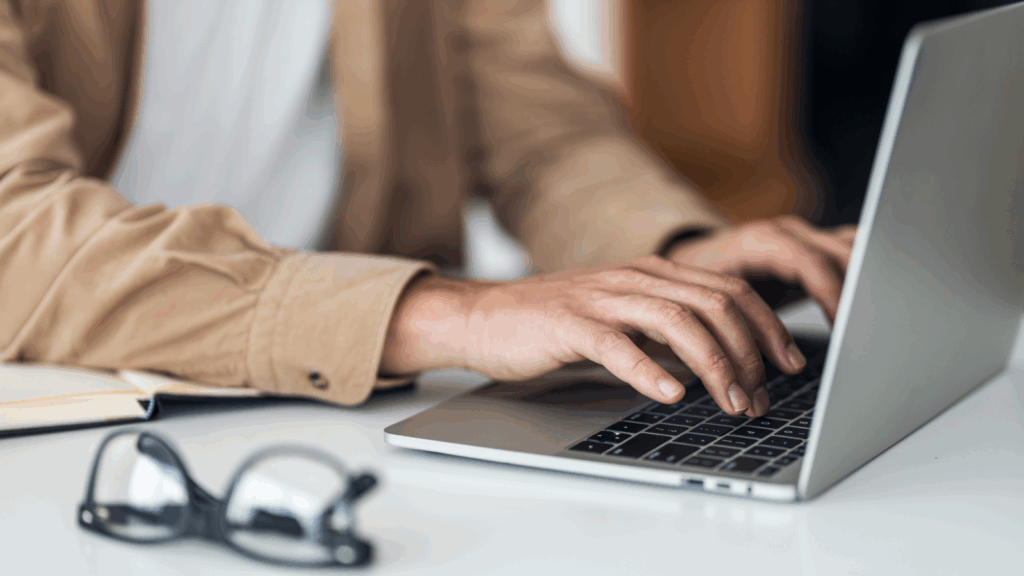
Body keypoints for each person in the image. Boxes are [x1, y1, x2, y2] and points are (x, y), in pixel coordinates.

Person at [0, 0, 854, 420]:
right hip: (72, 426)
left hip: (343, 409)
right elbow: (14, 227)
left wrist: (676, 253)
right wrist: (449, 311)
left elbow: (537, 122)